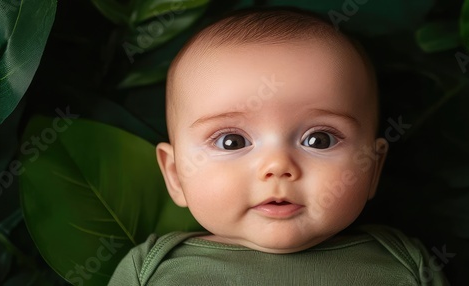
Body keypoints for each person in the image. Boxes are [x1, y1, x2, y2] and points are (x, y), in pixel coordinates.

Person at [109, 7, 448, 285]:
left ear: (372, 167)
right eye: (232, 141)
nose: (277, 165)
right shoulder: (151, 269)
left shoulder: (404, 264)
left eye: (319, 139)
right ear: (175, 174)